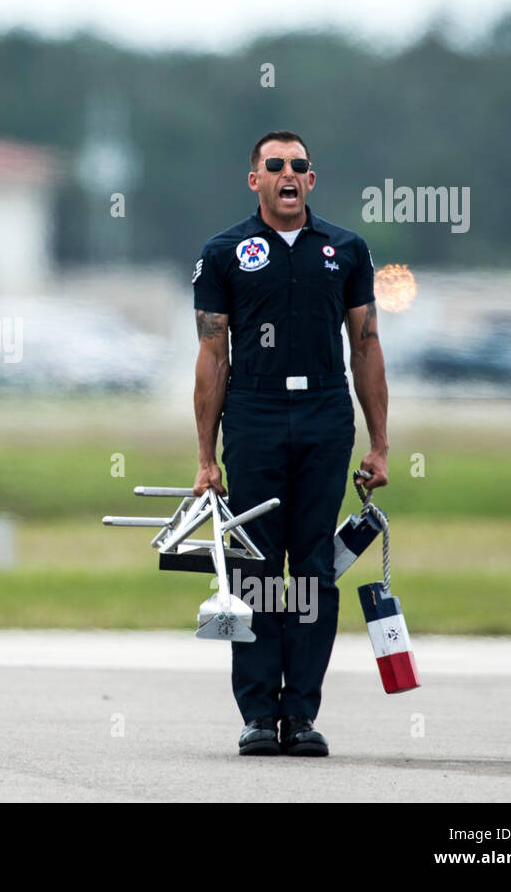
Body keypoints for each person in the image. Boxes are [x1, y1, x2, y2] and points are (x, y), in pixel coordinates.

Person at [191, 130, 389, 757]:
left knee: (312, 568)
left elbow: (365, 346)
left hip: (325, 411)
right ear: (255, 179)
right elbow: (211, 354)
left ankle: (301, 714)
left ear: (311, 178)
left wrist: (379, 442)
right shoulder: (224, 252)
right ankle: (256, 713)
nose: (287, 174)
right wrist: (204, 457)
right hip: (254, 413)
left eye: (298, 166)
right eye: (274, 165)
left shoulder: (346, 249)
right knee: (255, 567)